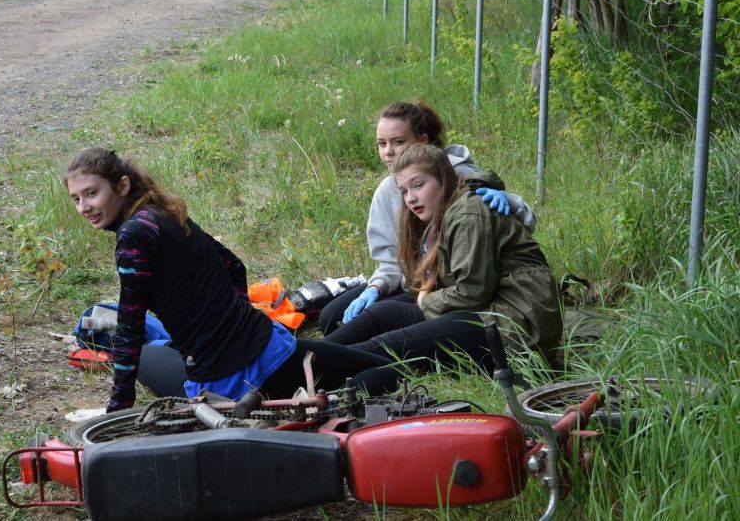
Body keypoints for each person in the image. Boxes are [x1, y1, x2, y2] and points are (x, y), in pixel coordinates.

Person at [64, 148, 399, 412]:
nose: (84, 207)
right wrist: (235, 322)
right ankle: (329, 400)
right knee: (389, 371)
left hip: (224, 382)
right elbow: (234, 265)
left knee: (149, 354)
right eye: (76, 199)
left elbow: (129, 327)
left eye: (92, 193)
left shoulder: (133, 234)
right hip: (271, 349)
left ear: (122, 186)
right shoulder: (163, 211)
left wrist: (117, 410)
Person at [331, 143, 562, 373]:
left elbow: (471, 292)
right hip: (490, 310)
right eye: (404, 191)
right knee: (381, 315)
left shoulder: (467, 214)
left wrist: (425, 301)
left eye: (418, 185)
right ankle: (314, 355)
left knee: (386, 347)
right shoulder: (446, 209)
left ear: (442, 178)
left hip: (515, 325)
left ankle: (317, 365)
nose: (410, 198)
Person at [318, 101, 536, 337]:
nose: (388, 151)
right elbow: (392, 262)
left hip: (454, 287)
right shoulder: (387, 191)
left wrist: (509, 201)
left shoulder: (457, 176)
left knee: (379, 319)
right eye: (382, 144)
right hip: (418, 282)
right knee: (332, 317)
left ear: (422, 141)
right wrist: (376, 287)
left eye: (398, 142)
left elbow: (514, 231)